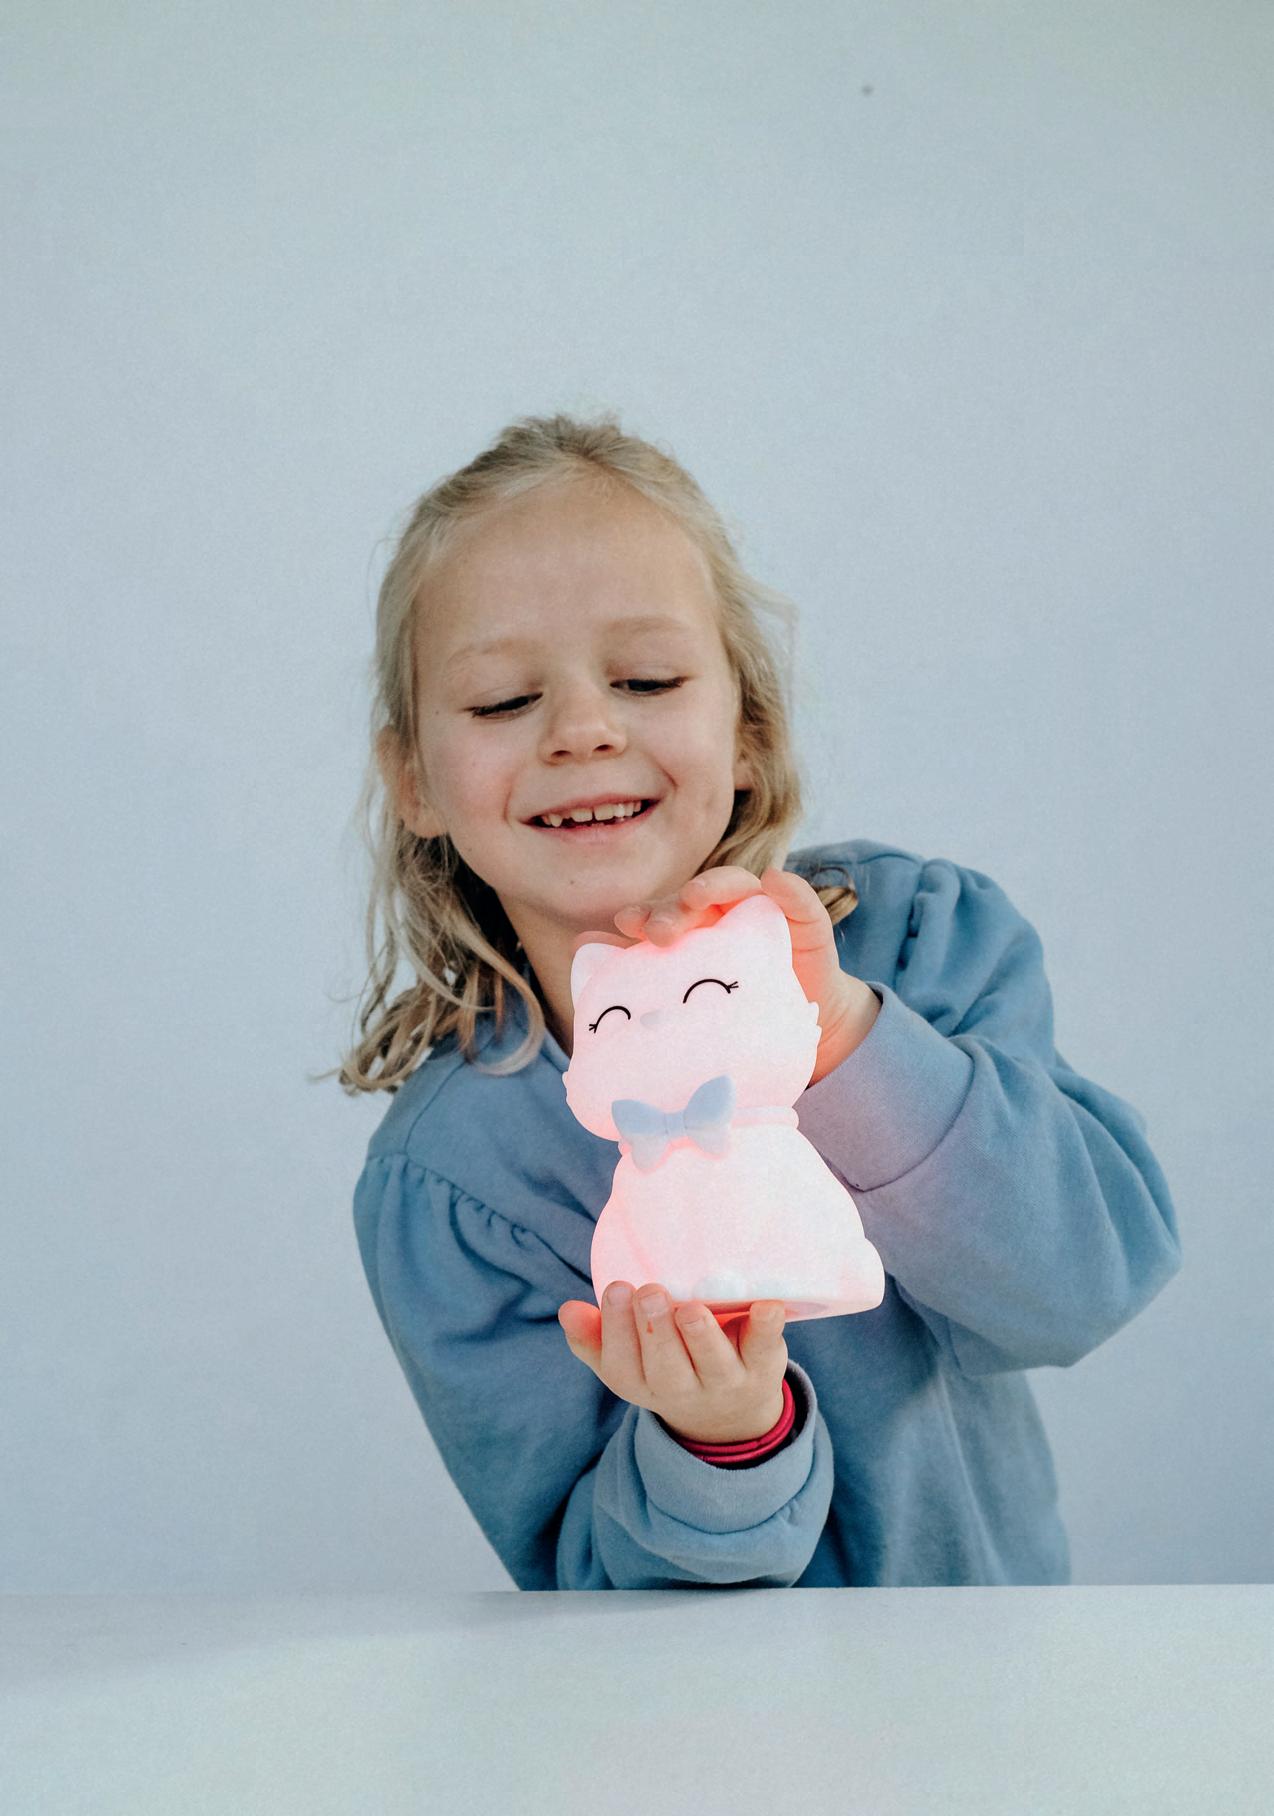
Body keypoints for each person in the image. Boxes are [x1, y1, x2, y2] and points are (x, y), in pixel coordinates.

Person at [327, 409, 1182, 1589]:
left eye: (645, 678)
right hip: (704, 1709)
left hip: (988, 1668)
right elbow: (582, 1582)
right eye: (501, 700)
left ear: (747, 729)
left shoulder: (918, 941)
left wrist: (841, 1037)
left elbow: (1079, 1289)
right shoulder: (452, 1185)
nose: (582, 729)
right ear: (415, 778)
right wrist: (721, 1442)